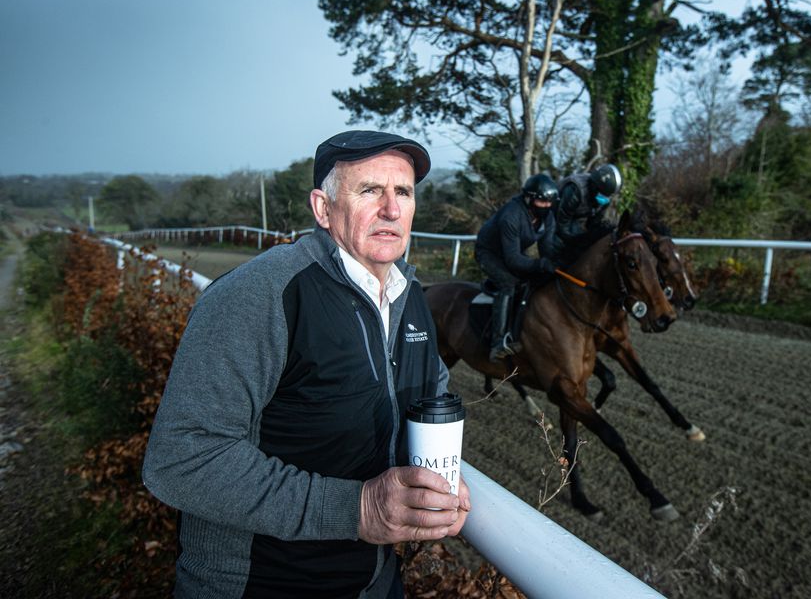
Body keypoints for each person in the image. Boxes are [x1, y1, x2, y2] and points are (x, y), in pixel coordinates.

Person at [142, 130, 470, 599]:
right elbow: (181, 458)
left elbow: (432, 400)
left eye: (403, 192)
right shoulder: (260, 295)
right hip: (263, 585)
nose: (392, 210)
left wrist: (442, 477)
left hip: (375, 582)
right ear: (322, 209)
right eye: (370, 190)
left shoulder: (411, 296)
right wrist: (356, 509)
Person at [474, 173, 559, 361]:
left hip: (513, 252)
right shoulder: (511, 215)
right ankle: (497, 343)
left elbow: (547, 248)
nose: (546, 206)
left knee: (535, 280)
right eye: (542, 202)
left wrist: (554, 264)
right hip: (489, 253)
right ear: (529, 198)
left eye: (549, 203)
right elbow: (513, 261)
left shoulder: (548, 217)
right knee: (508, 283)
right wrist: (539, 264)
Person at [554, 163, 623, 266]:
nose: (604, 199)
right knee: (557, 250)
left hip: (575, 219)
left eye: (607, 196)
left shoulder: (604, 200)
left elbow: (593, 224)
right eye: (602, 194)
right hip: (554, 217)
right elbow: (562, 222)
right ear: (595, 186)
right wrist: (575, 243)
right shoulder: (576, 190)